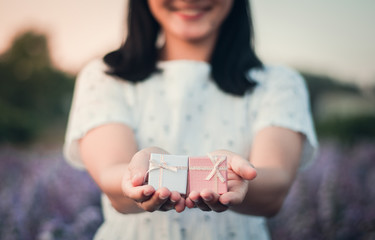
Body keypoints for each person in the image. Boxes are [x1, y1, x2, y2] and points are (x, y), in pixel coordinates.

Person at [64, 0, 317, 239]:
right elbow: (113, 182)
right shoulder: (105, 77)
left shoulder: (279, 84)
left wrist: (235, 178)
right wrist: (143, 174)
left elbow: (275, 189)